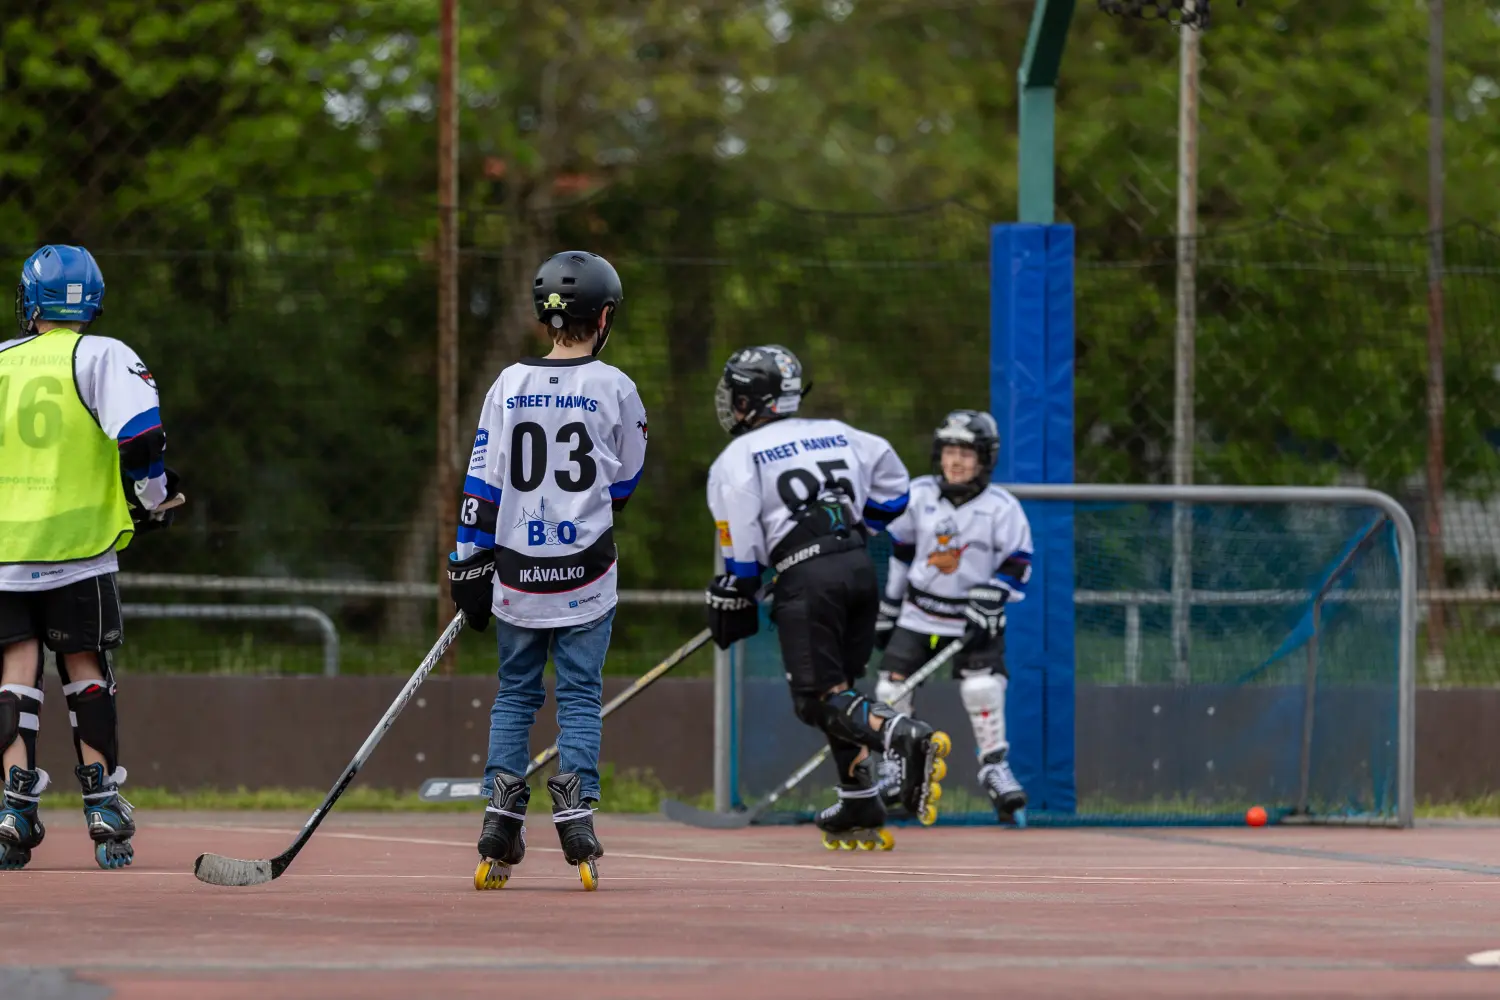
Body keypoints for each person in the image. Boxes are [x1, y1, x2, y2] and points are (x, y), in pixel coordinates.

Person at [448, 251, 647, 891]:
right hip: (586, 572)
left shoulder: (507, 383)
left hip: (516, 575)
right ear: (605, 316)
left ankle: (501, 816)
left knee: (515, 694)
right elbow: (627, 479)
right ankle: (577, 813)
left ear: (545, 316)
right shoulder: (617, 387)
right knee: (580, 696)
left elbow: (483, 478)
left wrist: (468, 560)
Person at [704, 344, 950, 851]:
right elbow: (895, 494)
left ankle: (898, 733)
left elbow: (744, 559)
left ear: (753, 400)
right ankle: (859, 796)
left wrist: (742, 587)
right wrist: (843, 535)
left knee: (816, 700)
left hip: (809, 580)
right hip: (859, 568)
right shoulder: (841, 433)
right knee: (839, 689)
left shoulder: (736, 457)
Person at [0, 245, 181, 871]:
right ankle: (102, 803)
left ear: (30, 301)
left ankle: (13, 806)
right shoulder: (102, 353)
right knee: (83, 662)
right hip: (77, 548)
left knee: (15, 669)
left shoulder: (0, 362)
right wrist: (154, 497)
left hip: (4, 549)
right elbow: (144, 436)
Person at [875, 409, 1032, 824]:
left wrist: (993, 595)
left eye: (966, 452)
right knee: (890, 690)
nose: (956, 461)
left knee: (982, 688)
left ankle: (994, 766)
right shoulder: (918, 495)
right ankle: (895, 764)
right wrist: (888, 608)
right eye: (949, 451)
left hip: (971, 620)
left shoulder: (1002, 507)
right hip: (920, 614)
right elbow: (902, 553)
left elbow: (1018, 564)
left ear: (984, 459)